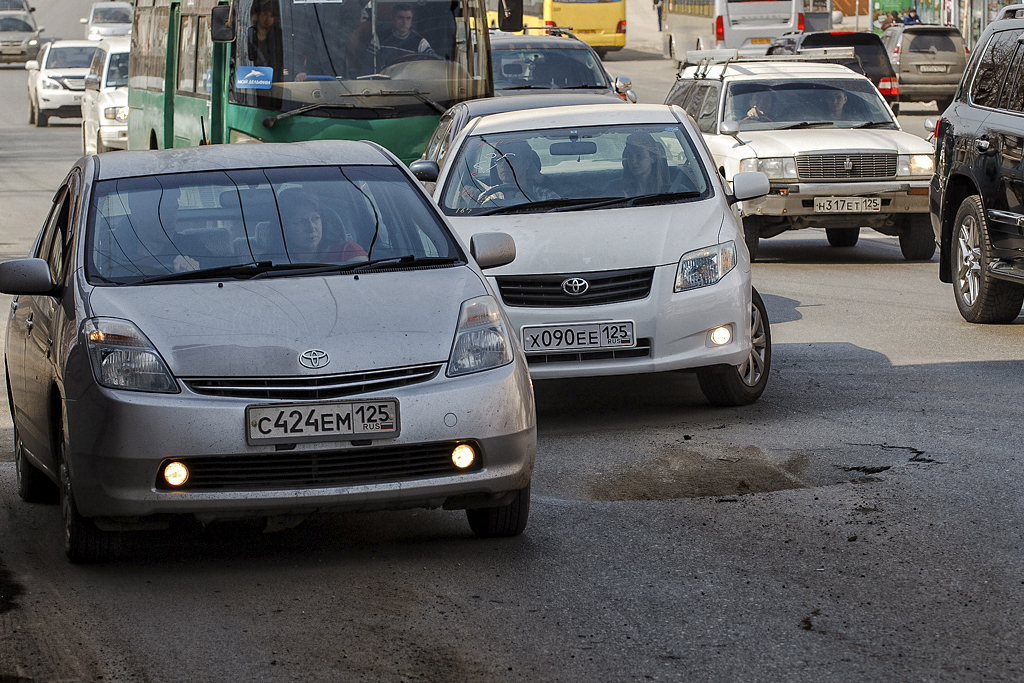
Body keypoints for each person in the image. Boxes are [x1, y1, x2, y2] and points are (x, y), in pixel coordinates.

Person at [279, 192, 367, 263]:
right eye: (301, 222)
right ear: (284, 228)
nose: (311, 228)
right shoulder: (270, 262)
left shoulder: (348, 251)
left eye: (315, 219)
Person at [479, 142, 558, 205]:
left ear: (526, 164)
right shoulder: (487, 197)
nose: (503, 165)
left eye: (509, 159)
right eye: (499, 160)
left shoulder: (547, 196)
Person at [365, 4, 436, 72]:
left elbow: (432, 63)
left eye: (408, 18)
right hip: (386, 81)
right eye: (400, 18)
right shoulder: (380, 38)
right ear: (392, 19)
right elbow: (368, 63)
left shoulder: (420, 42)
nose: (405, 22)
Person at [246, 0, 283, 76]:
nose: (268, 19)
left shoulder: (279, 36)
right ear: (258, 15)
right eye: (265, 14)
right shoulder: (246, 35)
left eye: (271, 16)